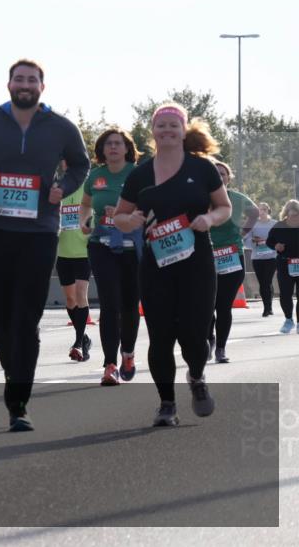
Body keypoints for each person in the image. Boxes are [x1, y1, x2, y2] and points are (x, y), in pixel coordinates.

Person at [0, 59, 90, 432]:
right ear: (9, 83)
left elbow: (80, 165)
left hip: (40, 233)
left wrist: (64, 188)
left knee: (28, 316)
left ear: (42, 86)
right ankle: (14, 371)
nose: (25, 84)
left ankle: (19, 403)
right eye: (19, 79)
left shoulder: (60, 127)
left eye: (32, 79)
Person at [113, 104, 231, 427]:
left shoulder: (202, 168)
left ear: (182, 130)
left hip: (197, 263)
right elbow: (119, 216)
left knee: (195, 333)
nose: (166, 131)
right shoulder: (139, 174)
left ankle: (196, 374)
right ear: (153, 132)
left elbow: (225, 207)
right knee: (160, 335)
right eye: (160, 126)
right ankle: (166, 404)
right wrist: (130, 220)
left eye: (172, 126)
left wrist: (209, 218)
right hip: (156, 265)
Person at [79, 128, 142, 385]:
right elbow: (85, 204)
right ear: (102, 150)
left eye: (118, 143)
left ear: (127, 148)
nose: (113, 147)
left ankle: (128, 353)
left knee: (129, 305)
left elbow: (149, 205)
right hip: (102, 245)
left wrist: (124, 213)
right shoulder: (95, 176)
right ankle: (110, 364)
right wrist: (85, 220)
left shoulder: (138, 175)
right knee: (109, 304)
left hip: (131, 248)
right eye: (108, 144)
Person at [207, 161, 258, 362]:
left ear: (228, 178)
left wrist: (243, 231)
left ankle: (221, 349)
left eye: (223, 174)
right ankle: (208, 338)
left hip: (232, 256)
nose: (219, 177)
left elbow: (253, 212)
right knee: (206, 305)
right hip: (205, 257)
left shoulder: (236, 198)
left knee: (223, 305)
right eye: (215, 173)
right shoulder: (200, 198)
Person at [55, 160, 93, 369]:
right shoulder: (58, 187)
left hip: (84, 251)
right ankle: (84, 337)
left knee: (80, 294)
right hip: (63, 252)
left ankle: (79, 343)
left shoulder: (89, 188)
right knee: (70, 300)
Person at [268, 199, 299, 334]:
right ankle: (288, 319)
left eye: (297, 215)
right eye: (291, 215)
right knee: (285, 294)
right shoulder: (279, 226)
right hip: (284, 263)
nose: (294, 218)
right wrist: (276, 246)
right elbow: (269, 241)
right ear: (286, 214)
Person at [248, 202, 279, 317]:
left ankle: (267, 308)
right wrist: (253, 241)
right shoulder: (253, 224)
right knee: (263, 283)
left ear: (268, 211)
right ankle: (267, 305)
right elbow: (246, 239)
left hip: (271, 257)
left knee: (267, 281)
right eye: (260, 210)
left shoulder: (274, 224)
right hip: (257, 257)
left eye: (264, 210)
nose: (262, 212)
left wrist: (269, 241)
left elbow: (280, 238)